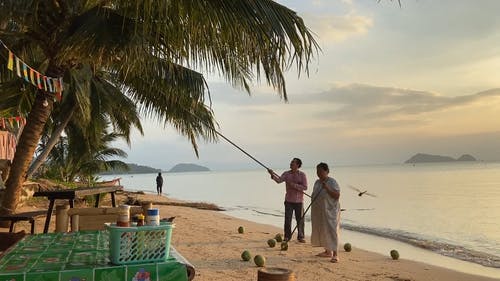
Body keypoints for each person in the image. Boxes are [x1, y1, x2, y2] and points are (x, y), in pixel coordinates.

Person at [268, 157, 308, 243]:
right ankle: (287, 237)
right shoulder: (286, 174)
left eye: (293, 163)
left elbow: (305, 187)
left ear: (298, 165)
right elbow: (279, 180)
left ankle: (301, 237)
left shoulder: (302, 175)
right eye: (291, 162)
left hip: (299, 201)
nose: (290, 164)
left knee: (300, 220)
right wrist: (272, 174)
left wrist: (294, 185)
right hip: (289, 200)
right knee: (287, 219)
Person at [310, 162, 341, 263]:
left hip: (331, 210)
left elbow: (337, 195)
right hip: (320, 211)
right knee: (323, 230)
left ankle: (335, 254)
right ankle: (327, 251)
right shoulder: (317, 182)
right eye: (317, 171)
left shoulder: (332, 182)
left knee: (332, 230)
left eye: (320, 171)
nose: (318, 173)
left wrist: (327, 188)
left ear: (327, 171)